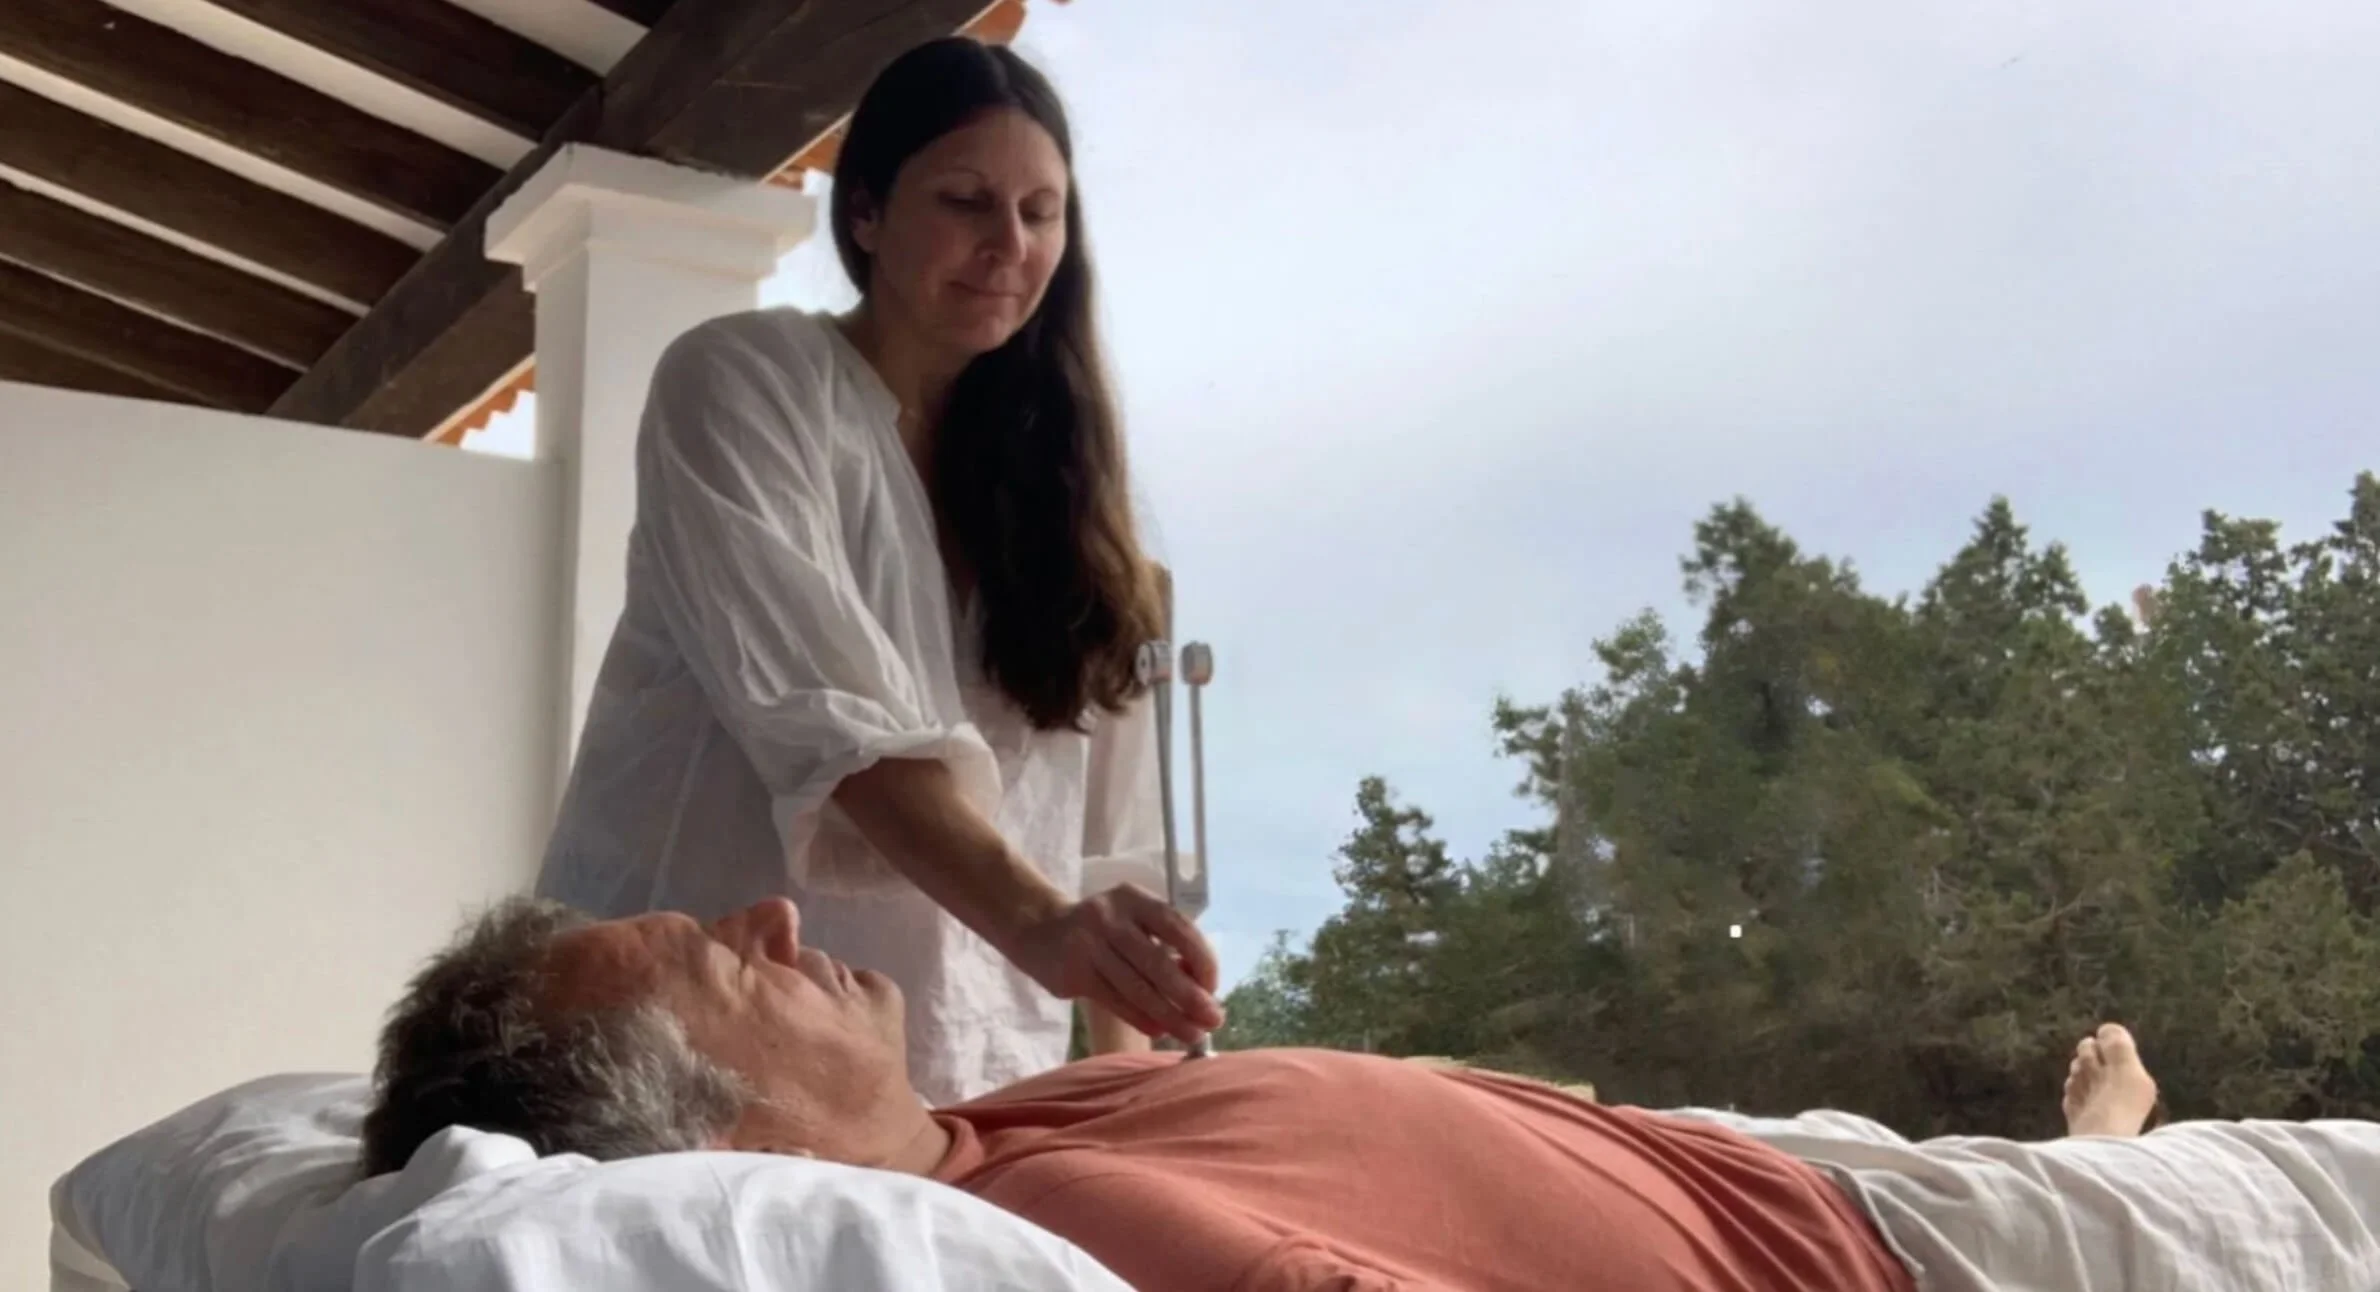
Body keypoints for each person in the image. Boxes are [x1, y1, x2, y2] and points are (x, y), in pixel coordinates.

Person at [362, 897, 2380, 1291]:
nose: (777, 910)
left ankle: (2092, 1134)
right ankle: (2100, 1151)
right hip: (1876, 1254)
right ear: (725, 1137)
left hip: (1747, 1169)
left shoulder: (1010, 1128)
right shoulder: (1049, 1235)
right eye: (732, 961)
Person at [533, 34, 1221, 1107]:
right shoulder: (742, 386)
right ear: (863, 212)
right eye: (964, 200)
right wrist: (1044, 922)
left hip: (970, 1080)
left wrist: (1126, 1111)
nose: (1008, 245)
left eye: (1041, 213)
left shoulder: (1080, 520)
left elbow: (1108, 860)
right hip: (682, 1046)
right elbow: (835, 727)